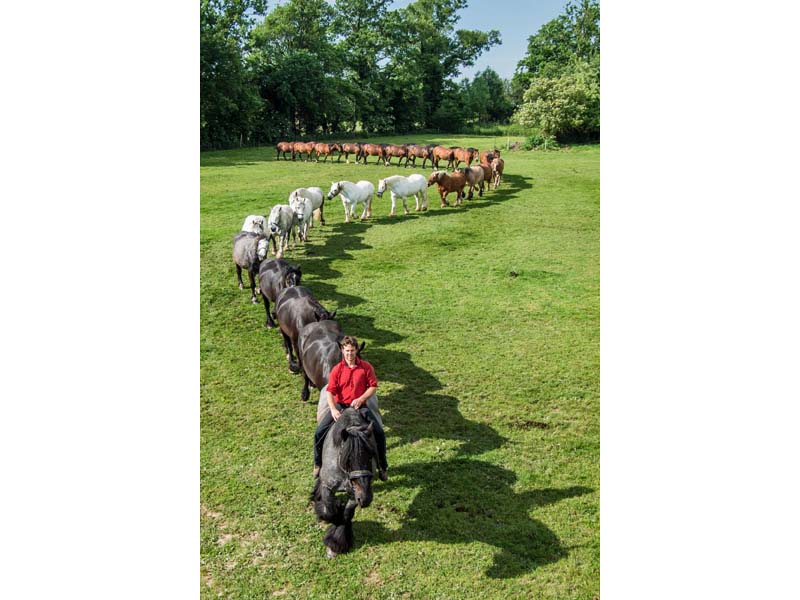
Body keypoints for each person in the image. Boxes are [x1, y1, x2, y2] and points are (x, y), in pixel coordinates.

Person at [313, 335, 388, 481]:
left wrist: (361, 399)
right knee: (319, 432)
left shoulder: (366, 367)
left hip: (360, 407)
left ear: (356, 350)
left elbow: (373, 386)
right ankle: (317, 464)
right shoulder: (337, 370)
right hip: (341, 405)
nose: (349, 354)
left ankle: (383, 466)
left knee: (379, 432)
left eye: (352, 351)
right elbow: (330, 391)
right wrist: (333, 409)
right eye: (347, 351)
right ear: (342, 351)